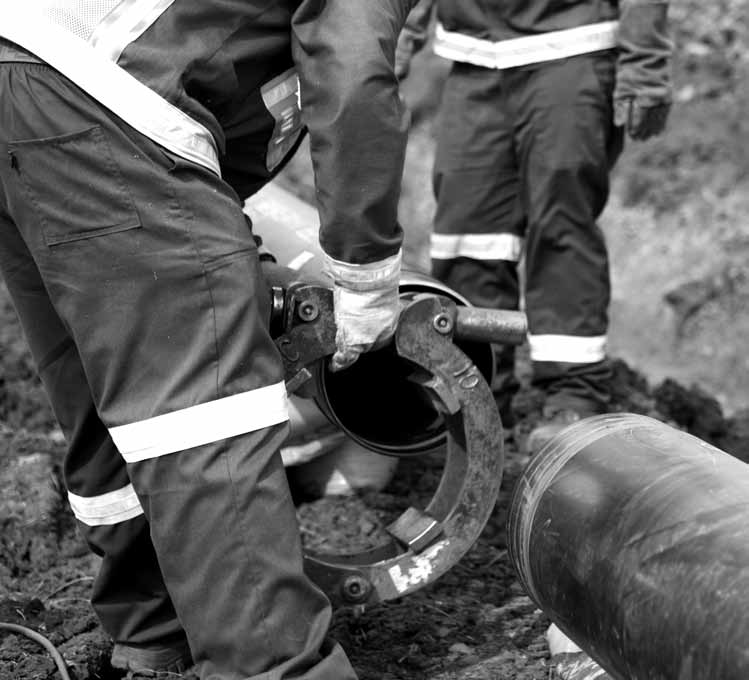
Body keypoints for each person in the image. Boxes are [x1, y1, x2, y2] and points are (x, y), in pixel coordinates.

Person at [0, 2, 415, 678]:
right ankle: (274, 664)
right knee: (208, 411)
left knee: (100, 384)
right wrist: (365, 277)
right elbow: (352, 69)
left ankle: (155, 632)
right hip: (104, 88)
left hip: (20, 64)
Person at [395, 0, 673, 454]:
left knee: (561, 226)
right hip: (475, 56)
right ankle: (477, 387)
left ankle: (573, 393)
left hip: (571, 46)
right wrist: (401, 33)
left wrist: (645, 60)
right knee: (467, 232)